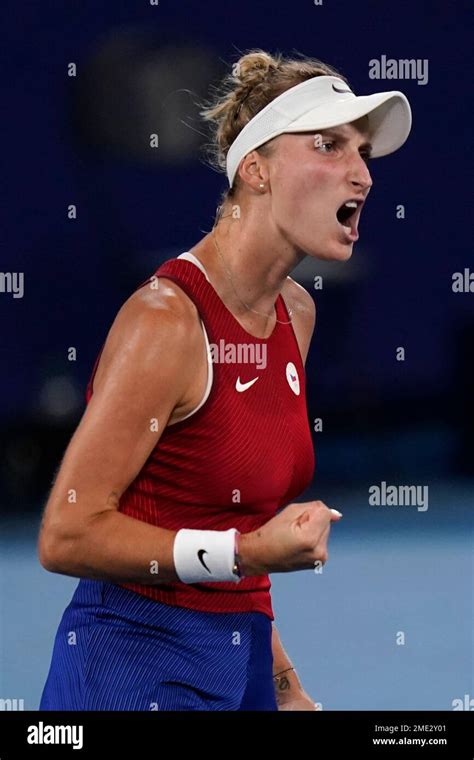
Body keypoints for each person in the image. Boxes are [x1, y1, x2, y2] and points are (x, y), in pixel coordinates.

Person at [38, 49, 411, 711]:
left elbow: (229, 515)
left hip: (238, 666)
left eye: (364, 155)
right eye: (329, 146)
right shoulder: (165, 322)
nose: (361, 175)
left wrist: (284, 687)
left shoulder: (297, 313)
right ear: (256, 170)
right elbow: (67, 535)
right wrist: (243, 553)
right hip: (131, 668)